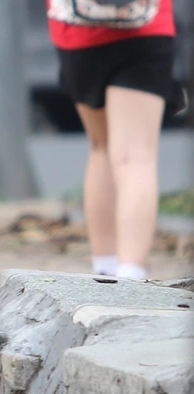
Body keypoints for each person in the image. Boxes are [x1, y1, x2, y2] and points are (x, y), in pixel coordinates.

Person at [46, 0, 187, 279]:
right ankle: (131, 273)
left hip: (77, 30)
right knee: (135, 157)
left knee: (101, 147)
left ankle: (106, 269)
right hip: (145, 27)